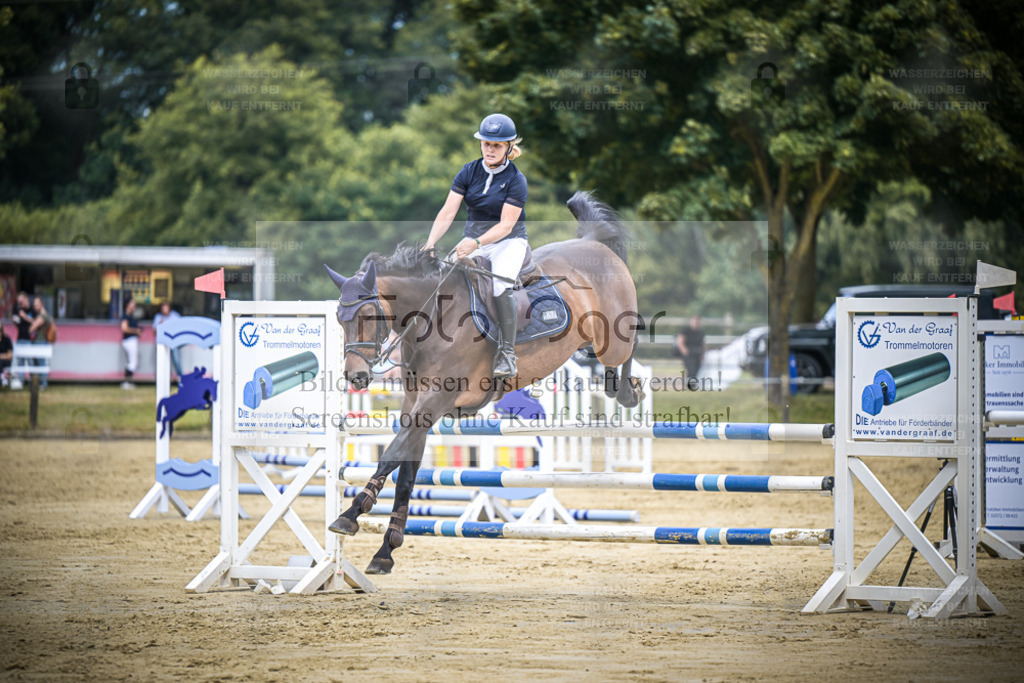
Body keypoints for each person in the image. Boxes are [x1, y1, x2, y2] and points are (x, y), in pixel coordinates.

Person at [423, 113, 528, 379]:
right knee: (440, 279)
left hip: (508, 242)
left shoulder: (517, 180)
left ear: (508, 147)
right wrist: (430, 242)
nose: (490, 150)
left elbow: (506, 225)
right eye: (486, 144)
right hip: (472, 240)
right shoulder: (469, 171)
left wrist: (477, 243)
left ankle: (507, 353)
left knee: (500, 285)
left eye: (497, 145)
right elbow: (448, 211)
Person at [153, 301, 183, 380]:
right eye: (162, 308)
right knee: (162, 362)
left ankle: (181, 379)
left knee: (177, 361)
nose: (164, 309)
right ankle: (162, 379)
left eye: (165, 307)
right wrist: (160, 325)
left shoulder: (175, 316)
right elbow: (154, 332)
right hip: (162, 343)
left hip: (174, 343)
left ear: (169, 308)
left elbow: (181, 329)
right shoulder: (158, 317)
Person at [28, 296, 53, 388]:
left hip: (40, 342)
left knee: (41, 363)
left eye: (37, 304)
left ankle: (43, 384)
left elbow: (32, 328)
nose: (35, 306)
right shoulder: (40, 315)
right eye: (34, 305)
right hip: (38, 342)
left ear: (41, 304)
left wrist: (29, 322)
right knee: (36, 363)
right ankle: (37, 383)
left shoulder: (43, 315)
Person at [674, 315, 706, 382]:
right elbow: (680, 341)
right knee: (691, 369)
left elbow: (703, 344)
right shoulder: (686, 331)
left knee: (697, 369)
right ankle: (690, 384)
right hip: (688, 353)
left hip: (697, 352)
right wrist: (684, 350)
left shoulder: (700, 333)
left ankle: (693, 384)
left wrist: (703, 353)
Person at [11, 292, 33, 383]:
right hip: (20, 339)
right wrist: (15, 321)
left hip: (30, 340)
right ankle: (20, 382)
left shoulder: (32, 309)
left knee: (31, 362)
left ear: (26, 299)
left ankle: (33, 383)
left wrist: (24, 316)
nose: (19, 304)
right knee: (20, 362)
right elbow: (16, 324)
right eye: (18, 302)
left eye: (21, 301)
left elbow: (35, 321)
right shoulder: (17, 309)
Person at [120, 299, 142, 390]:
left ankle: (128, 381)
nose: (134, 306)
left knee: (131, 362)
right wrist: (136, 331)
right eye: (132, 304)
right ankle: (127, 382)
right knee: (133, 363)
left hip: (131, 340)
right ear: (127, 305)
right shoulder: (126, 316)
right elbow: (124, 328)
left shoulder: (132, 316)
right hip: (129, 341)